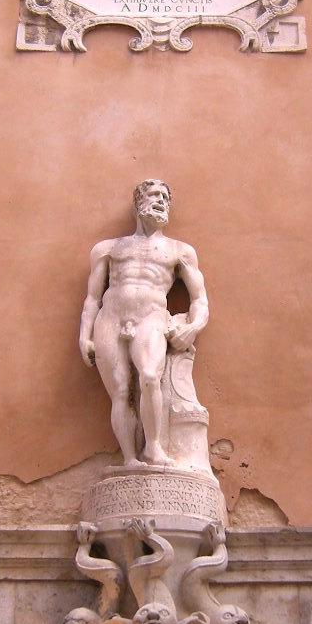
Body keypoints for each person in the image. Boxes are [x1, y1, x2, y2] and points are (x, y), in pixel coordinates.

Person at [79, 179, 208, 467]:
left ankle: (153, 448)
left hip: (152, 316)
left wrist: (193, 327)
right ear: (139, 202)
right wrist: (84, 335)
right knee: (121, 392)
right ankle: (129, 458)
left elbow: (200, 299)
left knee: (150, 377)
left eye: (165, 196)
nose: (160, 200)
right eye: (153, 194)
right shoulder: (108, 249)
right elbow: (91, 297)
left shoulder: (179, 251)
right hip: (110, 318)